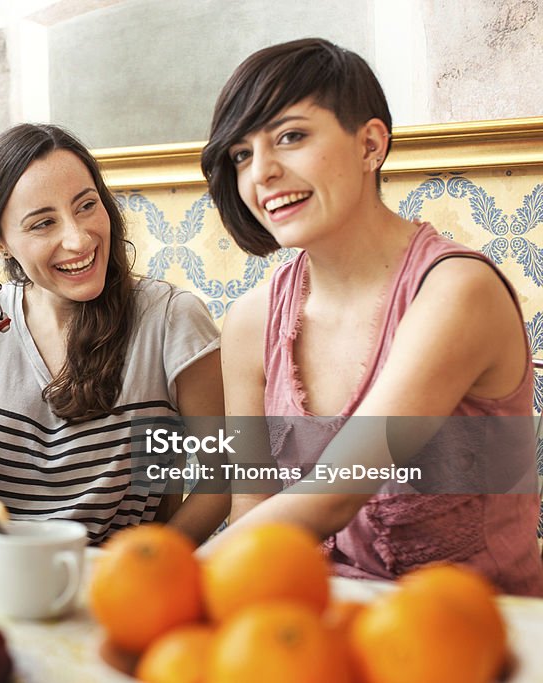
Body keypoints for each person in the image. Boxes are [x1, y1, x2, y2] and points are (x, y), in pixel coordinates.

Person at [199, 38, 543, 595]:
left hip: (476, 641)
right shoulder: (250, 320)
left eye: (291, 136)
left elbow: (337, 491)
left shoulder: (457, 292)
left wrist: (170, 579)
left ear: (370, 144)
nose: (261, 172)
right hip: (316, 633)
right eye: (241, 154)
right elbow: (251, 516)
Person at [0, 123, 229, 544]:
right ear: (0, 241)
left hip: (111, 583)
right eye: (42, 223)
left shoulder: (170, 318)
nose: (78, 238)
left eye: (87, 206)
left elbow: (227, 478)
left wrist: (149, 563)